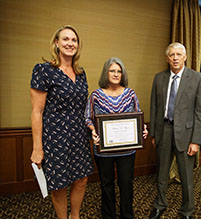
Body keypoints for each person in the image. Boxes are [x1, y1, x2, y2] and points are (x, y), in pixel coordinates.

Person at [30, 25, 94, 219]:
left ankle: (75, 216)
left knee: (81, 179)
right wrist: (37, 148)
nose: (70, 43)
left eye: (74, 40)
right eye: (65, 39)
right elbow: (36, 112)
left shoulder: (81, 74)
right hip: (55, 137)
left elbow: (85, 107)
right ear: (56, 43)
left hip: (79, 136)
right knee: (59, 184)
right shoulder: (43, 70)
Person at [149, 42, 201, 219]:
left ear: (185, 57)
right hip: (164, 130)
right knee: (162, 173)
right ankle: (160, 204)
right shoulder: (159, 78)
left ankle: (187, 210)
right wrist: (153, 134)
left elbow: (200, 112)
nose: (175, 58)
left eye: (178, 55)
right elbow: (154, 107)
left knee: (186, 175)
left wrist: (196, 141)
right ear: (167, 58)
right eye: (172, 55)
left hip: (186, 134)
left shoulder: (198, 78)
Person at [85, 57, 148, 219]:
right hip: (103, 150)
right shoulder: (96, 95)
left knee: (126, 183)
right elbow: (87, 118)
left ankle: (127, 215)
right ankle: (108, 215)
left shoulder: (130, 94)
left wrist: (143, 129)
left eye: (119, 71)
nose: (116, 74)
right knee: (106, 184)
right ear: (106, 73)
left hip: (127, 150)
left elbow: (138, 117)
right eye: (112, 70)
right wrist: (93, 130)